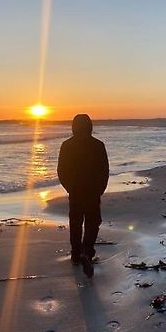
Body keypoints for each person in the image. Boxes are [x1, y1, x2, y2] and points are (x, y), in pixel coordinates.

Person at [57, 114, 109, 277]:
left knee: (75, 222)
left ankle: (75, 255)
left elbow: (61, 170)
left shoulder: (67, 145)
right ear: (90, 126)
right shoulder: (98, 145)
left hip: (76, 190)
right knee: (93, 222)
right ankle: (87, 251)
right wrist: (100, 188)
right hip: (93, 190)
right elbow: (104, 170)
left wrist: (69, 187)